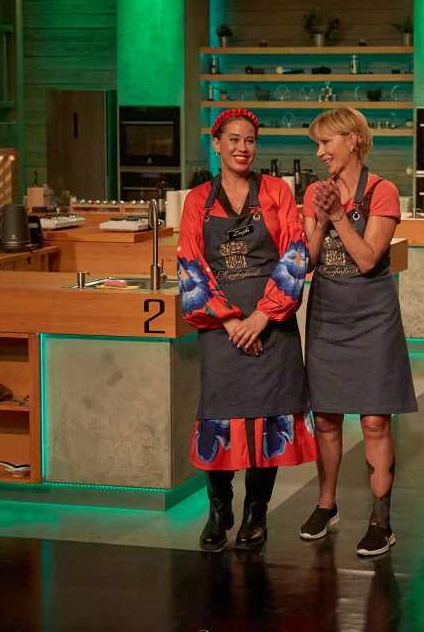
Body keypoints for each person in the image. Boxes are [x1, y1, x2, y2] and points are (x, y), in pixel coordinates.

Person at [177, 108, 317, 553]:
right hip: (222, 327)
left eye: (250, 140)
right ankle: (220, 510)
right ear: (216, 144)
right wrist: (231, 319)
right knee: (219, 413)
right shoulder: (197, 200)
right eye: (234, 139)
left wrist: (262, 317)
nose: (242, 148)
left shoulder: (276, 191)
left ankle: (257, 513)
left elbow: (296, 253)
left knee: (267, 417)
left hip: (272, 325)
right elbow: (189, 263)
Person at [298, 107, 418, 556]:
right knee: (326, 418)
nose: (319, 152)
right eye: (317, 143)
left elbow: (368, 259)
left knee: (374, 421)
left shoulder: (383, 191)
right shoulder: (315, 192)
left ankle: (380, 521)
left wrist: (337, 216)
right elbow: (310, 262)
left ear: (352, 141)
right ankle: (326, 504)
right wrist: (319, 217)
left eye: (326, 142)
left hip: (372, 317)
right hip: (328, 314)